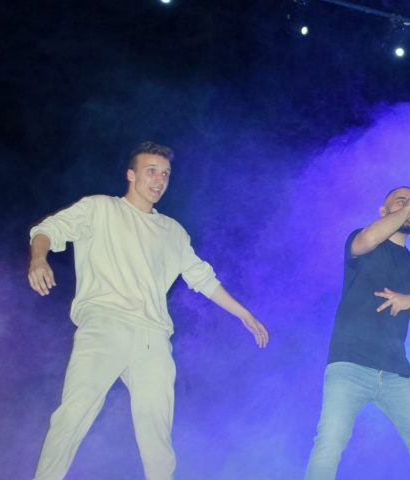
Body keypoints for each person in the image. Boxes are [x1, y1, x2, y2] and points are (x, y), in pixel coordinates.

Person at [26, 141, 269, 480]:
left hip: (153, 336)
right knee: (73, 414)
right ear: (131, 174)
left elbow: (202, 278)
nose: (159, 180)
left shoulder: (173, 232)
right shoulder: (100, 208)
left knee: (156, 432)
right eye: (151, 171)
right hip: (105, 323)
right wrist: (39, 259)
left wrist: (244, 313)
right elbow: (47, 230)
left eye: (165, 174)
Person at [305, 186, 410, 480]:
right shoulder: (363, 242)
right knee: (329, 443)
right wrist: (407, 210)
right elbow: (370, 238)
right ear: (383, 211)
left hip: (395, 374)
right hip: (349, 365)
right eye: (401, 201)